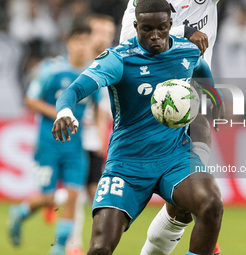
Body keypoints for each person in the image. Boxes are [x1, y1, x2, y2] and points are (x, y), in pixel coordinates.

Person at [51, 0, 224, 254]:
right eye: (147, 29)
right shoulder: (118, 59)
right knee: (100, 248)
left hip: (173, 157)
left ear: (170, 26)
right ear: (136, 25)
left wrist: (213, 95)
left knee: (211, 204)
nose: (155, 36)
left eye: (161, 29)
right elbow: (74, 90)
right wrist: (64, 111)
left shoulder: (186, 50)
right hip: (127, 164)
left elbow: (200, 67)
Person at [120, 0, 221, 254]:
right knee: (192, 203)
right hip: (150, 104)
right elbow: (132, 38)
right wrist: (185, 33)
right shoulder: (145, 5)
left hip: (190, 97)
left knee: (187, 206)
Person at [8, 26, 95, 255]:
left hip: (76, 148)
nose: (82, 46)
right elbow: (30, 100)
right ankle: (20, 212)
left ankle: (58, 249)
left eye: (87, 41)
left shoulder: (92, 73)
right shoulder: (51, 69)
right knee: (50, 197)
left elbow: (97, 107)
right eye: (78, 41)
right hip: (48, 144)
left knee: (73, 196)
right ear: (69, 43)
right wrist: (61, 113)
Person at [66, 14, 116, 255]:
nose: (105, 38)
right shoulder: (79, 64)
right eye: (100, 32)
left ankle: (91, 243)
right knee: (78, 190)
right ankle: (73, 243)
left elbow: (104, 108)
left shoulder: (115, 61)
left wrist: (102, 135)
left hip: (94, 137)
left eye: (109, 33)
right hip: (77, 136)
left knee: (93, 191)